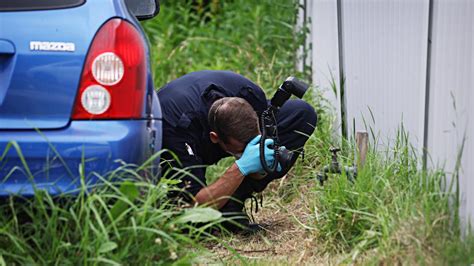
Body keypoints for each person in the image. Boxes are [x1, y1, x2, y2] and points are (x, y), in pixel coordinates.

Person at [158, 70, 317, 233]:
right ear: (215, 138)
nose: (249, 150)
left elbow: (264, 136)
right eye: (243, 149)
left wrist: (263, 161)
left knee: (301, 113)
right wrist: (240, 168)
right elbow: (193, 205)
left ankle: (230, 209)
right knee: (193, 224)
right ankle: (215, 206)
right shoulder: (176, 133)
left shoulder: (253, 97)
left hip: (219, 119)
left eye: (253, 143)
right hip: (175, 128)